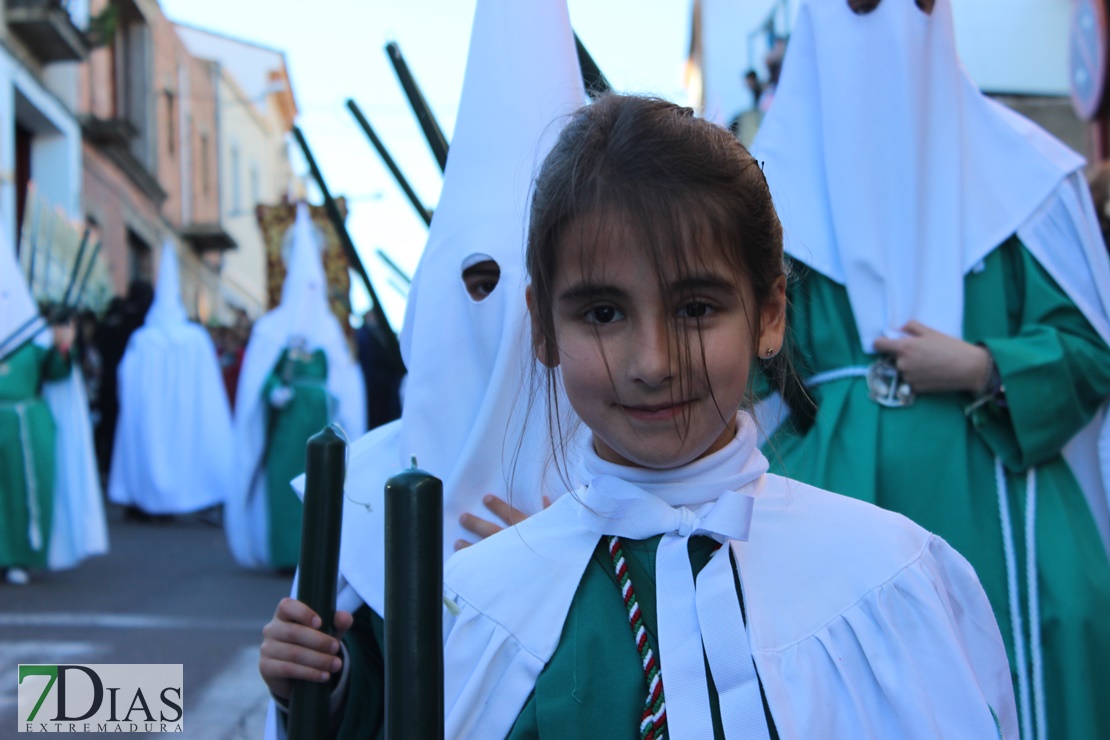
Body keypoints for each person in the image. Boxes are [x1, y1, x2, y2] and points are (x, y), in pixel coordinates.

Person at [260, 94, 1018, 738]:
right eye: (603, 311)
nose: (652, 361)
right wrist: (323, 688)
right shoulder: (483, 601)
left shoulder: (888, 581)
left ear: (769, 312)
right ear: (545, 328)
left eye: (694, 306)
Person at [750, 1, 1110, 737]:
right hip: (831, 507)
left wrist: (983, 364)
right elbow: (730, 375)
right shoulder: (757, 207)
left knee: (1061, 623)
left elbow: (1091, 349)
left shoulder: (1024, 179)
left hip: (1008, 508)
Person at [225, 204, 366, 571]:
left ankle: (319, 558)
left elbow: (346, 380)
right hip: (286, 429)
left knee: (321, 490)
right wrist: (273, 389)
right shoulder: (270, 329)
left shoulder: (331, 330)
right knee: (284, 490)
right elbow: (258, 377)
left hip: (320, 422)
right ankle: (286, 554)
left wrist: (336, 402)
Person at [108, 241, 233, 519]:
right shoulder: (195, 339)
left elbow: (124, 380)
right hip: (184, 413)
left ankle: (148, 500)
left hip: (151, 412)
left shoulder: (142, 340)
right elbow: (211, 390)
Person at [0, 228, 75, 585]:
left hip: (24, 423)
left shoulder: (30, 336)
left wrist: (63, 346)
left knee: (21, 494)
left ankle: (18, 557)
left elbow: (57, 374)